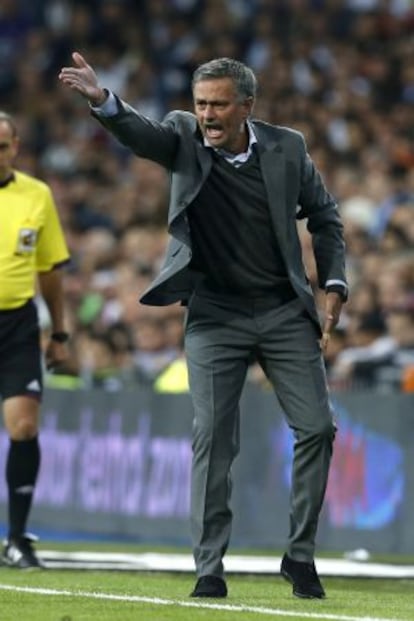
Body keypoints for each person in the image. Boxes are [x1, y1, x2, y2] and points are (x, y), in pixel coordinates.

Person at [59, 52, 348, 599]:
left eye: (218, 104)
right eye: (201, 104)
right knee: (214, 437)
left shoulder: (288, 147)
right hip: (214, 312)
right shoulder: (183, 135)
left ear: (247, 106)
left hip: (284, 310)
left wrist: (334, 283)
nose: (208, 114)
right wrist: (103, 103)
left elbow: (326, 215)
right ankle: (209, 567)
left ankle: (300, 555)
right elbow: (145, 137)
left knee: (317, 429)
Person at [0, 111, 70, 568]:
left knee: (24, 427)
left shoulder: (36, 195)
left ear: (16, 146)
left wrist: (59, 332)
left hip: (18, 325)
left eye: (2, 145)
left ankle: (18, 539)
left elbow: (49, 270)